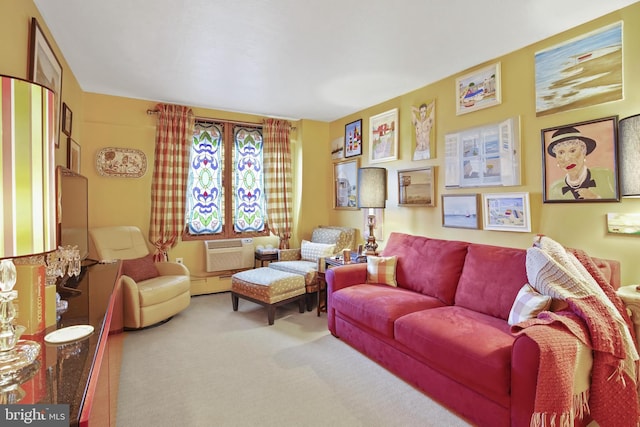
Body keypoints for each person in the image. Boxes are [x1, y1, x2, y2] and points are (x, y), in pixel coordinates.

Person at [547, 126, 616, 200]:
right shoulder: (555, 189)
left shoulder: (606, 176)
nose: (567, 159)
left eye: (572, 151)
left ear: (583, 152)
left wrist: (596, 198)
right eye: (561, 153)